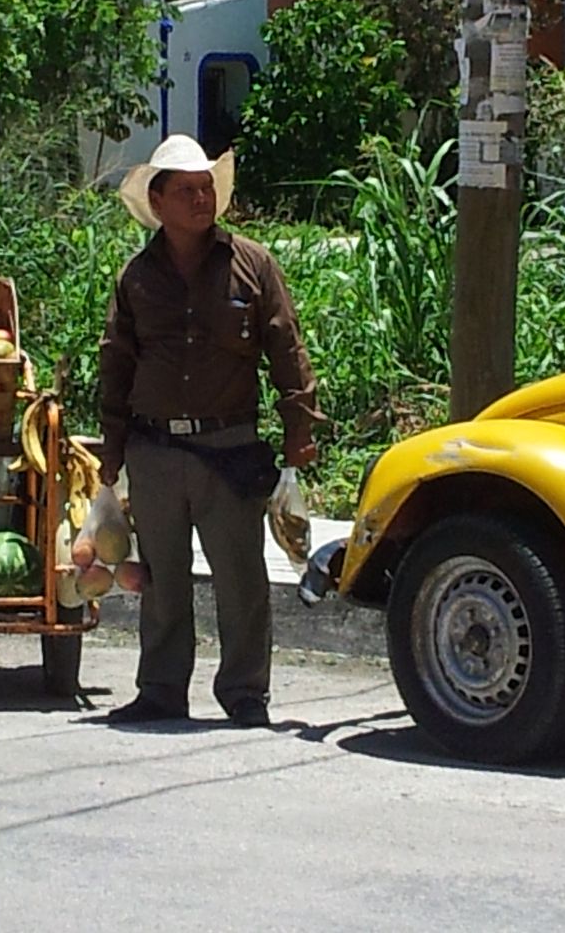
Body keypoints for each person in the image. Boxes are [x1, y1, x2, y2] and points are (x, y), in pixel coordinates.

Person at [98, 134, 325, 727]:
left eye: (207, 190)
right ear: (158, 200)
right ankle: (161, 690)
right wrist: (112, 451)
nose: (202, 200)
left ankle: (246, 693)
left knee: (241, 578)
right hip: (155, 448)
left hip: (229, 446)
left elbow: (287, 346)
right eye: (188, 191)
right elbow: (117, 363)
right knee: (161, 578)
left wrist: (299, 426)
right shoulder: (136, 278)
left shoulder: (252, 265)